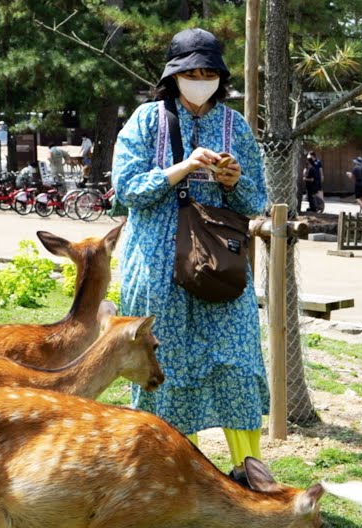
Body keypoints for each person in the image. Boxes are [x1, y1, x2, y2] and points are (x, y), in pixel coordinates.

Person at [112, 27, 269, 464]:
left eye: (209, 71)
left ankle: (248, 470)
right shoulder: (145, 120)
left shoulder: (234, 125)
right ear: (173, 75)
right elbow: (128, 190)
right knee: (166, 369)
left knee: (236, 364)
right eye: (192, 71)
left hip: (219, 263)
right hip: (157, 264)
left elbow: (255, 199)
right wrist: (181, 167)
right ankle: (174, 472)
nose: (201, 79)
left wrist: (233, 181)